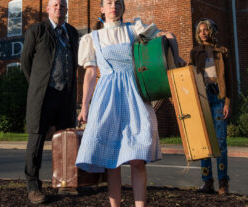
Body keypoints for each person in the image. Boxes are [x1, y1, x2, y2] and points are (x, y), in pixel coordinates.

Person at [76, 0, 184, 206]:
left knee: (138, 158)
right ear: (101, 8)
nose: (113, 6)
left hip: (135, 95)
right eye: (108, 3)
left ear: (122, 7)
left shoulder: (134, 29)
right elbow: (90, 74)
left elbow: (167, 36)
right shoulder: (92, 38)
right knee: (111, 160)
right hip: (107, 99)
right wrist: (85, 105)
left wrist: (176, 57)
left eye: (117, 2)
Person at [20, 0, 79, 204]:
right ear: (47, 9)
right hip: (43, 95)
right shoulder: (37, 30)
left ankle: (66, 183)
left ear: (66, 8)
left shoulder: (72, 32)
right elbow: (25, 63)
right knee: (36, 141)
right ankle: (33, 187)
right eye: (54, 5)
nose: (58, 8)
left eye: (62, 5)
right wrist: (38, 84)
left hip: (66, 96)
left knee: (65, 142)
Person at [190, 18, 233, 195]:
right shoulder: (195, 52)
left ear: (211, 31)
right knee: (204, 142)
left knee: (220, 141)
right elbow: (190, 75)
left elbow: (228, 79)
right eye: (200, 31)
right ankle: (207, 182)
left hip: (218, 98)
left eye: (205, 30)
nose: (202, 33)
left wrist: (227, 102)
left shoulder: (222, 52)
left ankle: (223, 183)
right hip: (202, 98)